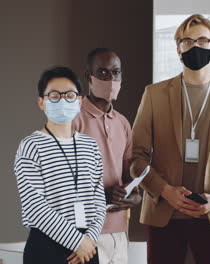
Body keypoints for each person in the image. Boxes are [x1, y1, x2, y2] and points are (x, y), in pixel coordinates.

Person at [130, 14, 210, 264]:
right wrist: (165, 191)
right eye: (187, 41)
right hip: (164, 215)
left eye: (202, 40)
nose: (195, 47)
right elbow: (136, 157)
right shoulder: (154, 94)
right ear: (178, 49)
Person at [14, 66, 106, 264]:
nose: (63, 100)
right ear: (41, 102)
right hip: (46, 246)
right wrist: (76, 242)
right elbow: (34, 206)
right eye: (54, 95)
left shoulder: (90, 146)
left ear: (79, 101)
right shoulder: (31, 146)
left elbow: (99, 201)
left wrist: (88, 240)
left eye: (70, 95)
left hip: (88, 247)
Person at [73, 48, 141, 264]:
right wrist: (100, 195)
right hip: (83, 234)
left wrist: (134, 196)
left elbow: (129, 176)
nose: (110, 79)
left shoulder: (122, 123)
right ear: (88, 77)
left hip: (119, 233)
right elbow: (59, 181)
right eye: (102, 73)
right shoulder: (73, 118)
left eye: (116, 73)